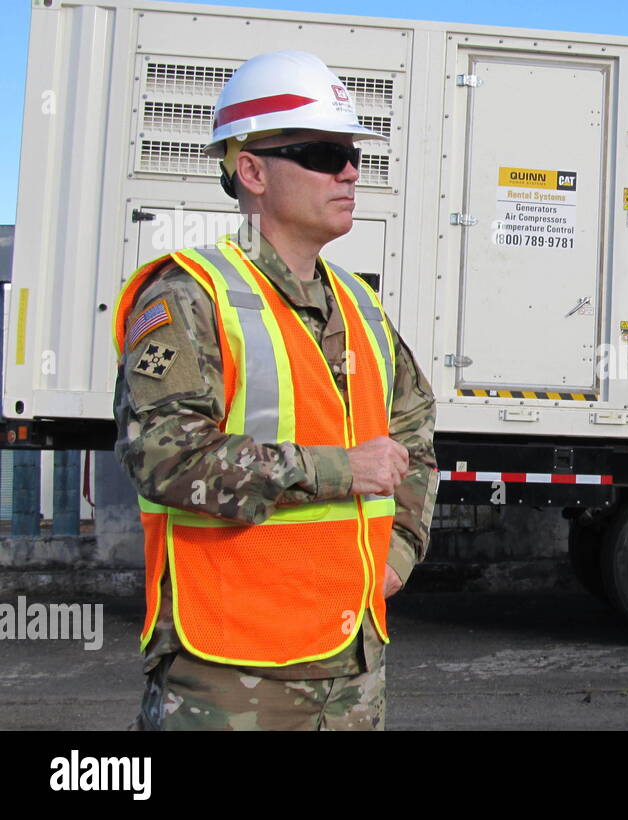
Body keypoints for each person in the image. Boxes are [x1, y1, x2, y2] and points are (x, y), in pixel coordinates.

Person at [112, 50, 438, 730]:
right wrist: (339, 470)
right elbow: (166, 459)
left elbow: (415, 435)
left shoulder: (359, 305)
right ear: (252, 171)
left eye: (353, 154)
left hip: (352, 668)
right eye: (321, 153)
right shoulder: (188, 297)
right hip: (232, 676)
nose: (349, 170)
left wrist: (398, 553)